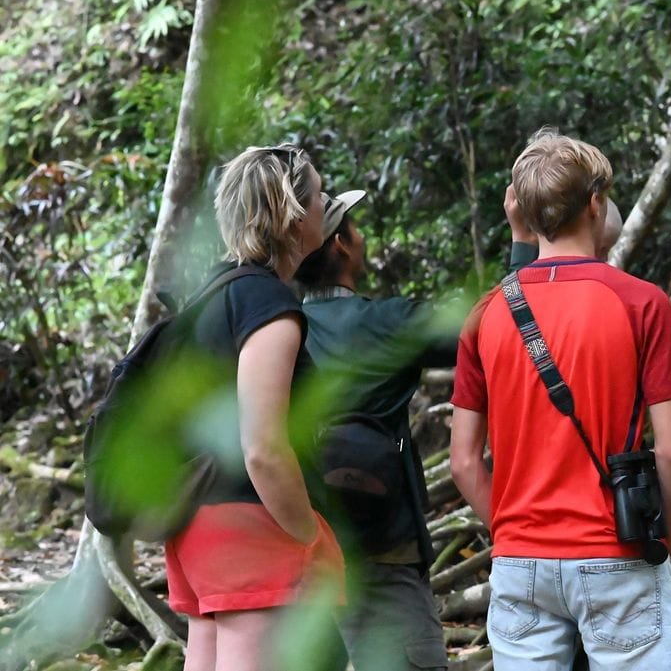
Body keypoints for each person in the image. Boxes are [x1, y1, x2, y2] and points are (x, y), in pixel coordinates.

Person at [450, 130, 671, 670]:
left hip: (521, 565)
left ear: (529, 217)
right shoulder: (641, 303)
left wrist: (514, 534)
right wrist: (665, 543)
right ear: (596, 203)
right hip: (617, 552)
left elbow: (464, 462)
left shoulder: (485, 314)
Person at [292, 184, 541, 671]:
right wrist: (521, 241)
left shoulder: (279, 330)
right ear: (342, 244)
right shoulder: (387, 323)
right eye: (354, 228)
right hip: (386, 547)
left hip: (306, 547)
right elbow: (501, 326)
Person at [164, 144, 345, 671]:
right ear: (290, 213)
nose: (326, 202)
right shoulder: (268, 305)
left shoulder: (210, 297)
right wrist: (310, 539)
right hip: (250, 523)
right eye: (318, 193)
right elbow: (263, 446)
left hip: (194, 521)